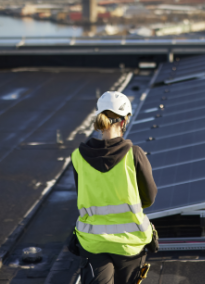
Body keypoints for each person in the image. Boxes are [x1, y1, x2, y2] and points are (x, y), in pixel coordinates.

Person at [71, 91, 157, 284]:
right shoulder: (134, 154)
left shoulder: (78, 156)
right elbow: (150, 198)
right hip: (130, 243)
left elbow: (82, 195)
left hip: (93, 242)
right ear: (124, 121)